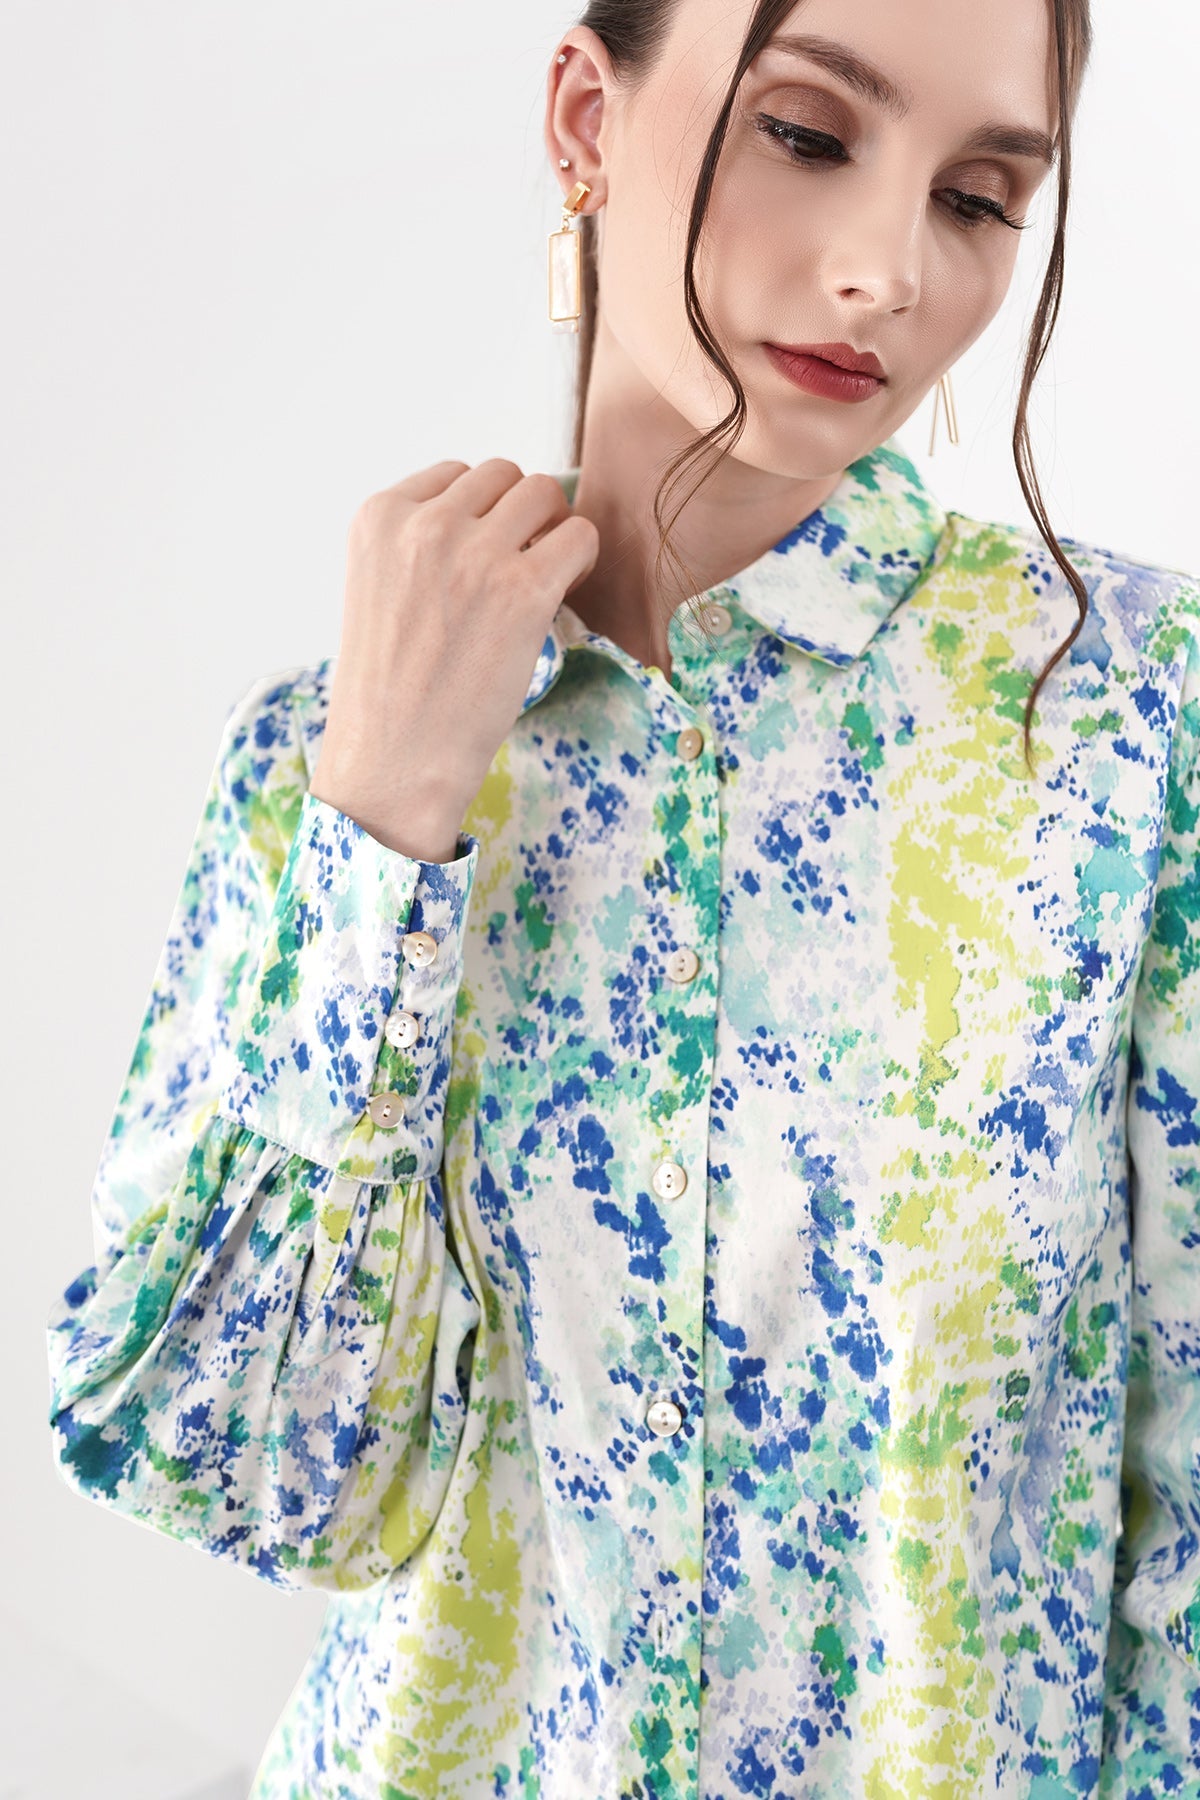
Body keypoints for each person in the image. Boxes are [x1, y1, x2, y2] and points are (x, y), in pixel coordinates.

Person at [45, 0, 1200, 1793]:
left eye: (977, 198)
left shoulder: (1130, 718)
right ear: (588, 117)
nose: (891, 272)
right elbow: (250, 1483)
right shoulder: (321, 766)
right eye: (808, 134)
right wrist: (385, 832)